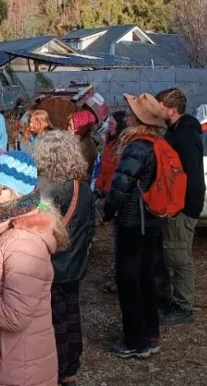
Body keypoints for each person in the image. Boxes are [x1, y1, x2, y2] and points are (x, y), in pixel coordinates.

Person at [0, 151, 69, 386]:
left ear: (17, 195)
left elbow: (14, 317)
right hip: (6, 358)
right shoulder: (5, 227)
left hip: (17, 367)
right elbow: (3, 277)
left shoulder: (23, 243)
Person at [103, 93, 166, 358]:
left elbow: (121, 184)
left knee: (129, 281)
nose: (126, 117)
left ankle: (135, 341)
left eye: (130, 113)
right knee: (146, 279)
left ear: (139, 119)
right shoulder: (157, 143)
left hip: (132, 221)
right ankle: (151, 334)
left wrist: (106, 212)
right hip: (151, 220)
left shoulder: (136, 147)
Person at [34, 132, 95, 386]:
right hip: (75, 261)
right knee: (71, 313)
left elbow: (37, 228)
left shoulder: (48, 189)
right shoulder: (82, 186)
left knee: (55, 319)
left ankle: (57, 367)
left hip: (54, 263)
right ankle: (71, 366)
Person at [154, 88, 206, 326]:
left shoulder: (185, 136)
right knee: (170, 254)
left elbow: (190, 176)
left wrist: (179, 207)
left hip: (182, 207)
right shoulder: (175, 131)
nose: (157, 110)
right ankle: (166, 299)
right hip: (175, 205)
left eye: (160, 106)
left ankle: (183, 306)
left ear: (172, 110)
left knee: (178, 257)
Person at [95, 110, 127, 293]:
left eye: (113, 124)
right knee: (116, 239)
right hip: (108, 192)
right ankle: (117, 275)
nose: (110, 126)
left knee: (119, 240)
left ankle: (120, 278)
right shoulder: (111, 143)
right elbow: (105, 170)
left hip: (116, 196)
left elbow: (114, 173)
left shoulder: (120, 146)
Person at [68, 110, 98, 180]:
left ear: (79, 127)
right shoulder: (83, 141)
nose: (68, 129)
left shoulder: (84, 147)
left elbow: (74, 172)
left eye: (70, 126)